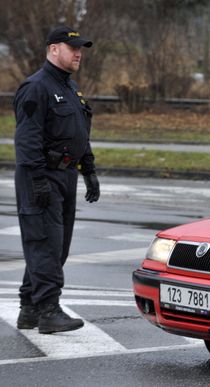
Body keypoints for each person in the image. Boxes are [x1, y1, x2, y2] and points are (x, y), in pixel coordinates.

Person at [14, 25, 100, 334]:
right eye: (72, 47)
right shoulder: (36, 87)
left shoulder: (69, 87)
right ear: (53, 49)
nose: (79, 53)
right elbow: (27, 140)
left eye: (81, 48)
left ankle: (29, 309)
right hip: (42, 175)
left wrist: (88, 170)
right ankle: (49, 311)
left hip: (65, 175)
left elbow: (78, 133)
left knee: (56, 246)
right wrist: (37, 179)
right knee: (45, 245)